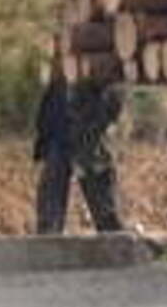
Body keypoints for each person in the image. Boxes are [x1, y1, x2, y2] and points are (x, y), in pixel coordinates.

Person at [33, 57, 124, 234]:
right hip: (59, 139)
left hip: (89, 141)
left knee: (104, 211)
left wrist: (93, 128)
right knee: (49, 211)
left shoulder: (98, 62)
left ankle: (115, 242)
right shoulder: (62, 70)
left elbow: (113, 101)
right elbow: (49, 108)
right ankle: (48, 243)